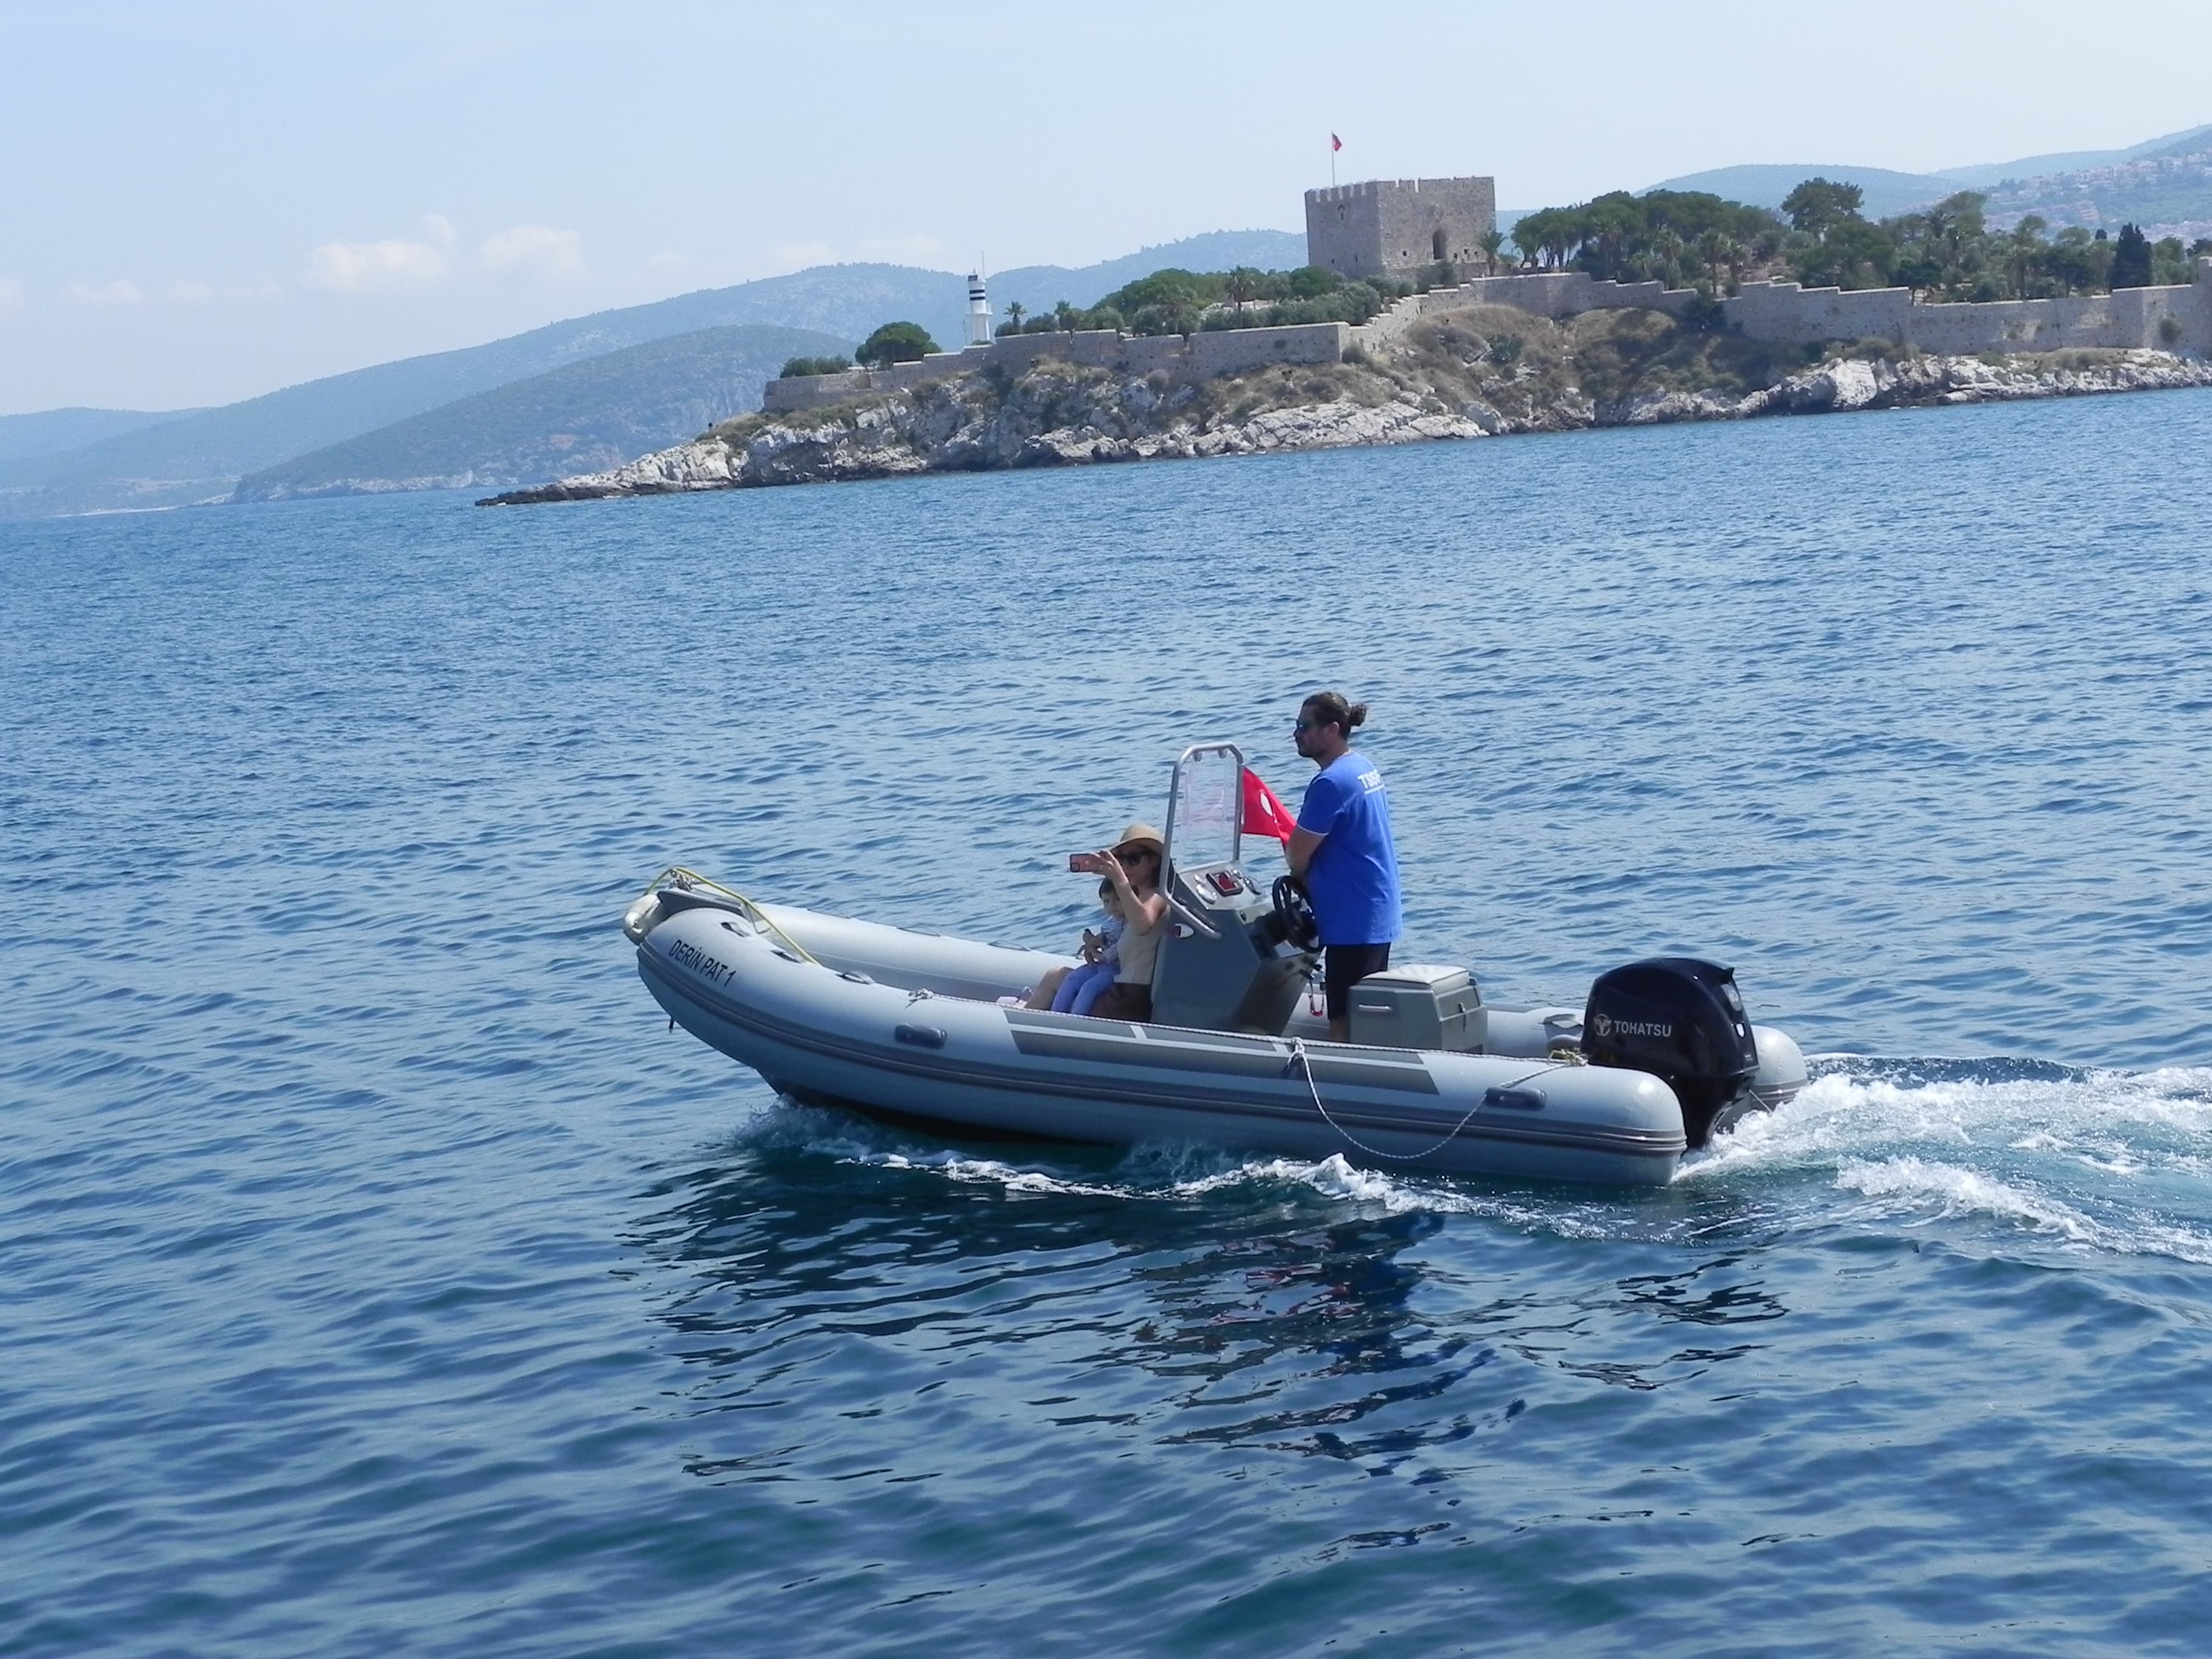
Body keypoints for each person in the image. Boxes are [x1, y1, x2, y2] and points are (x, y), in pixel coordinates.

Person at [1284, 692, 1402, 1042]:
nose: (1297, 734)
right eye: (1296, 726)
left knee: (1344, 1020)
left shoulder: (1331, 783)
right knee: (1361, 1011)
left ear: (1332, 730)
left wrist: (1300, 877)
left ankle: (1343, 1087)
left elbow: (1296, 855)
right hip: (1374, 909)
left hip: (1353, 920)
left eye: (1305, 726)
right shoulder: (1363, 767)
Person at [1071, 823, 1167, 1022]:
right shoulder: (1137, 898)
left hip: (1129, 1000)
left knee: (1055, 983)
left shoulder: (1158, 895)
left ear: (1155, 860)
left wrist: (1119, 880)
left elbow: (1142, 925)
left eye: (1133, 858)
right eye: (1121, 859)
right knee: (1056, 977)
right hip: (1120, 987)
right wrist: (1098, 941)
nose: (1125, 866)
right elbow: (1128, 936)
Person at [1026, 879, 1124, 1016]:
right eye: (1107, 902)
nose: (1112, 905)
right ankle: (1055, 1016)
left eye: (1118, 899)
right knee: (1072, 979)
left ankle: (1075, 1020)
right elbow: (1105, 938)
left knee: (1088, 988)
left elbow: (1119, 949)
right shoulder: (1110, 923)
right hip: (1102, 966)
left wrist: (1098, 955)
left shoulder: (1128, 925)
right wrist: (1092, 941)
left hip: (1115, 969)